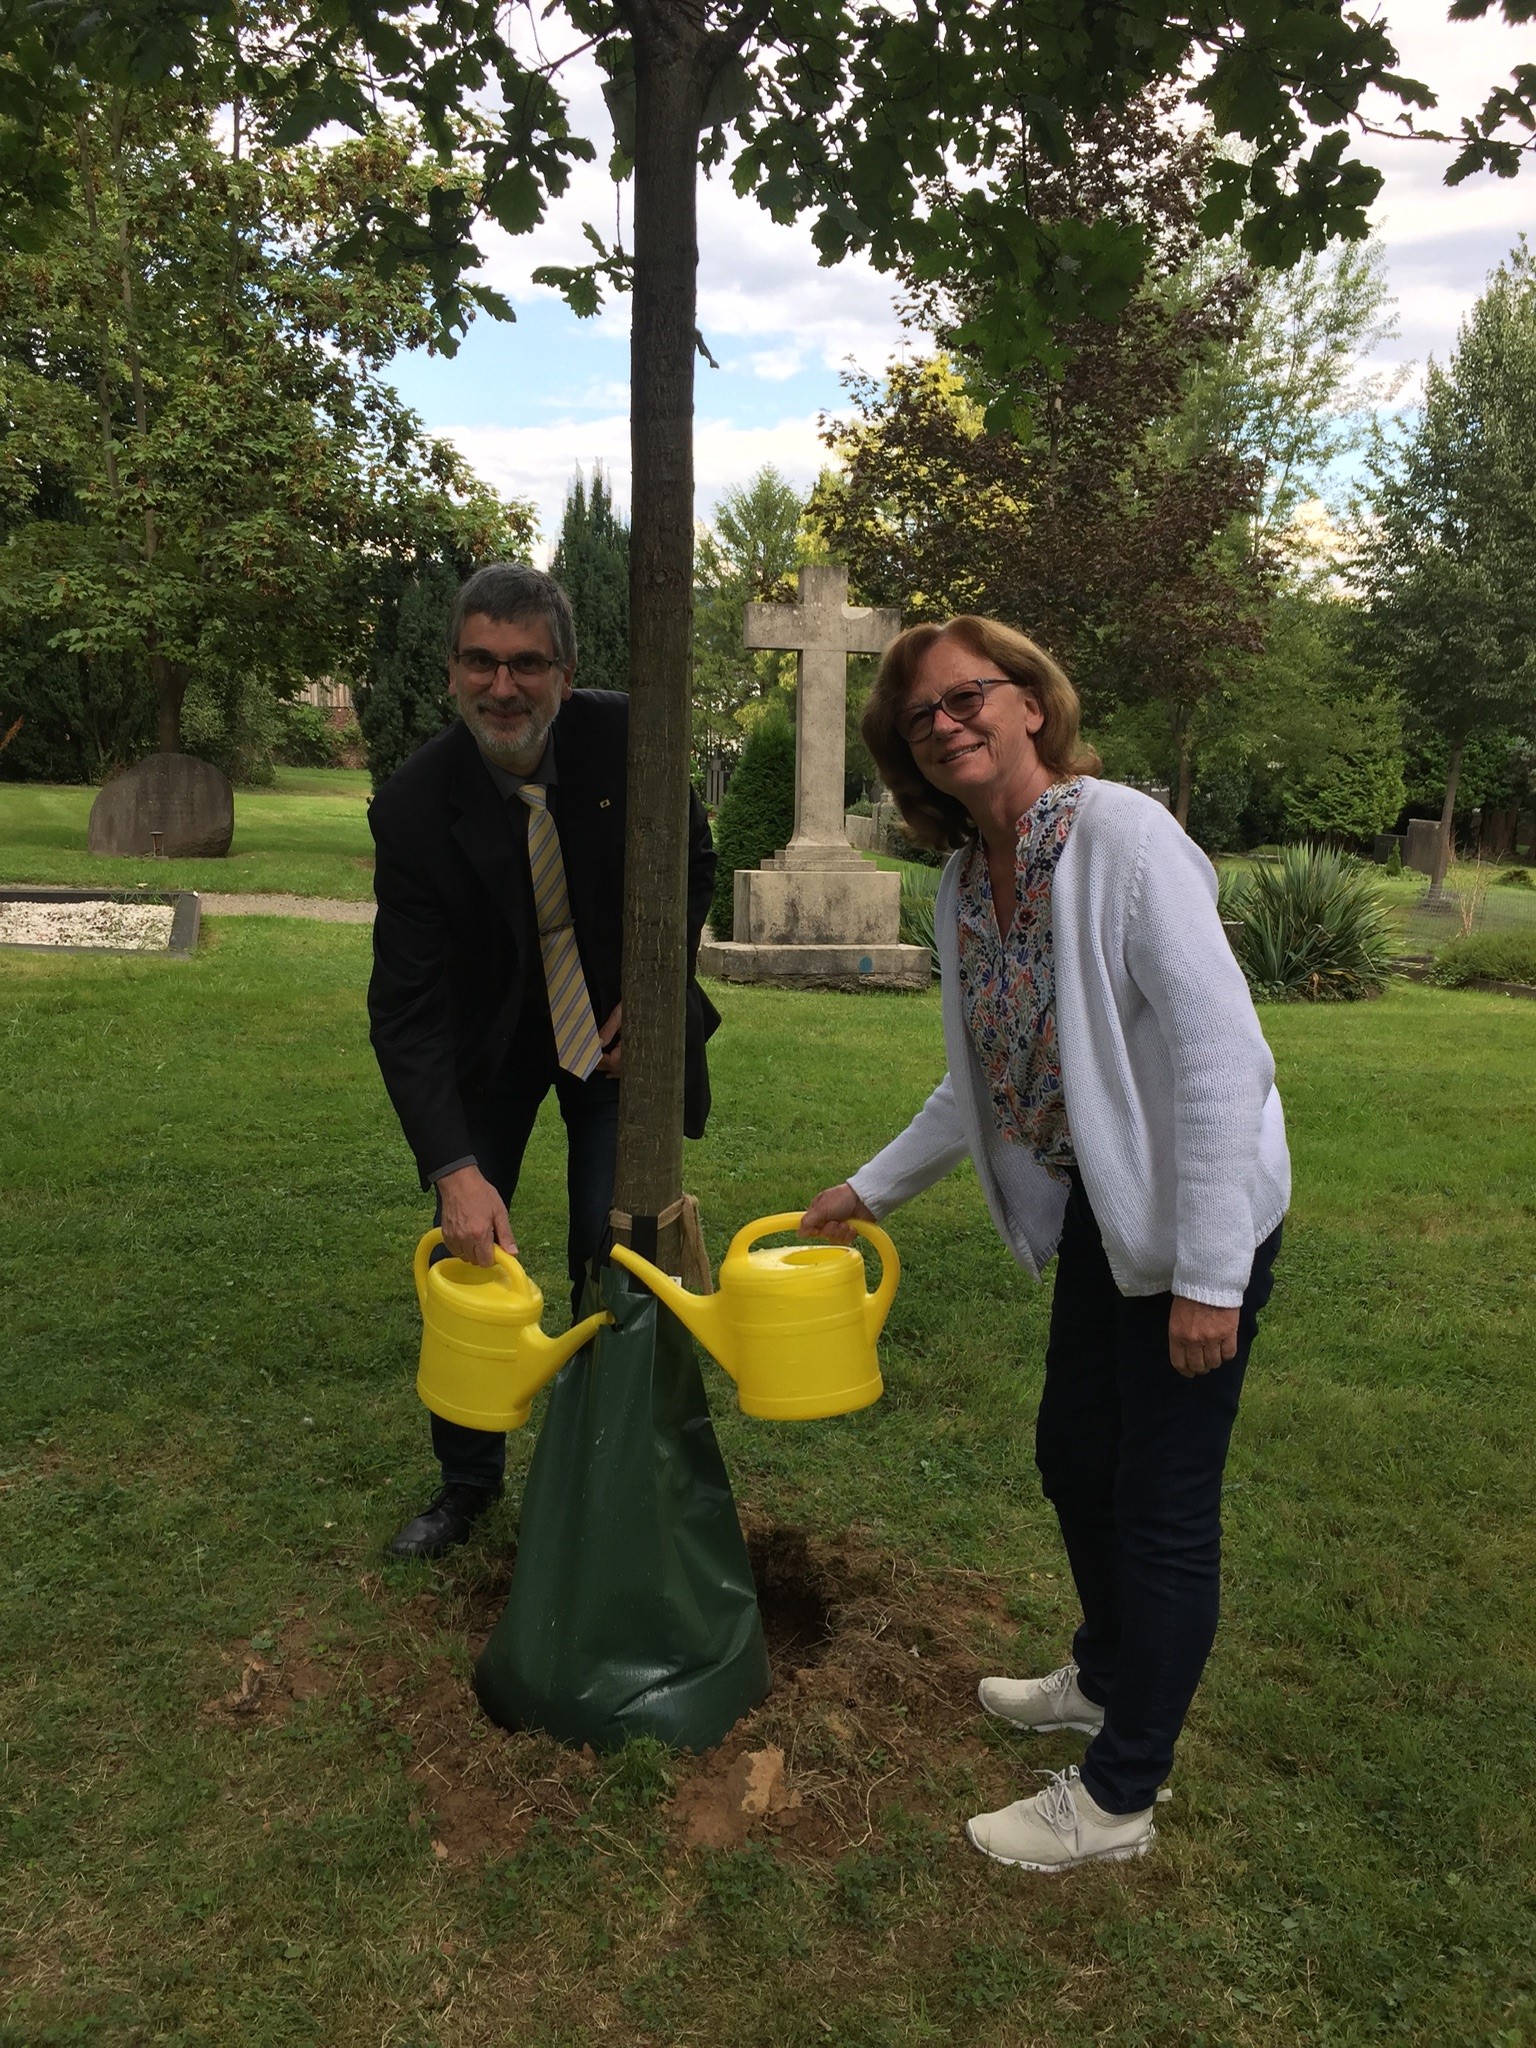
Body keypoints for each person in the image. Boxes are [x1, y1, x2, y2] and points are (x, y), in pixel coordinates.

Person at [801, 615, 1288, 1873]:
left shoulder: (1121, 836)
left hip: (1199, 1218)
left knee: (1164, 1502)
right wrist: (867, 1190)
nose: (949, 723)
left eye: (971, 697)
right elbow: (983, 1077)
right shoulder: (972, 879)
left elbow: (1221, 1053)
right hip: (1104, 1216)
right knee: (1076, 1455)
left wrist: (1210, 1273)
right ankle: (1108, 1669)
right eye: (922, 717)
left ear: (1030, 703)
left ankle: (1121, 1794)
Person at [368, 562, 719, 1560]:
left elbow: (693, 862)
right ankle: (467, 1480)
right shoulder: (413, 807)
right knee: (473, 1256)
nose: (503, 686)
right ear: (452, 673)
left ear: (566, 674)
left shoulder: (628, 742)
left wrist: (651, 991)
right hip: (493, 1041)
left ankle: (611, 1470)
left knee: (615, 1244)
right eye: (481, 661)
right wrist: (453, 1169)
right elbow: (406, 1007)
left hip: (615, 1035)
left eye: (527, 663)